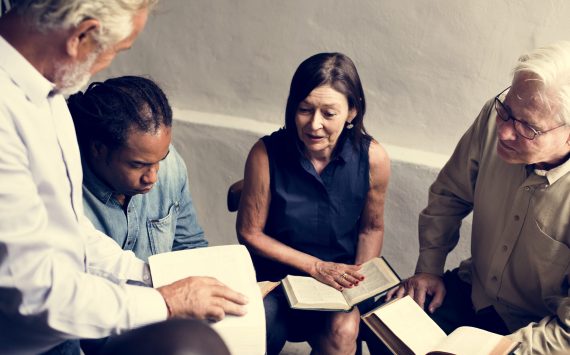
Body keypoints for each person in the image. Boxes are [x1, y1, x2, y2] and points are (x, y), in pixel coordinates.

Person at [0, 1, 247, 354]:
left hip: (61, 334)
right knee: (191, 345)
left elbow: (72, 233)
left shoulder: (49, 97)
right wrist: (165, 302)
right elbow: (36, 294)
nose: (108, 63)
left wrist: (151, 276)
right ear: (81, 35)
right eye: (116, 50)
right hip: (26, 341)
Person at [387, 41, 570, 354]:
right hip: (475, 290)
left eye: (527, 127)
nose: (504, 132)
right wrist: (428, 269)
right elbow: (448, 195)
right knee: (387, 330)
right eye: (507, 111)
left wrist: (499, 350)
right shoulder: (492, 117)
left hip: (537, 328)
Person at [237, 52, 391, 355]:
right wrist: (315, 266)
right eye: (304, 109)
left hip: (338, 281)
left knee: (346, 329)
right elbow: (249, 232)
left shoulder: (374, 157)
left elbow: (372, 228)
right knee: (257, 324)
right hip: (277, 279)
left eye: (328, 113)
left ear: (352, 112)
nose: (314, 124)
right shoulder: (264, 153)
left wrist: (357, 286)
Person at [68, 76, 208, 263]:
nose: (152, 177)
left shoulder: (171, 165)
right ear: (98, 149)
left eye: (160, 159)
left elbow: (190, 248)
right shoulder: (64, 187)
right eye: (138, 165)